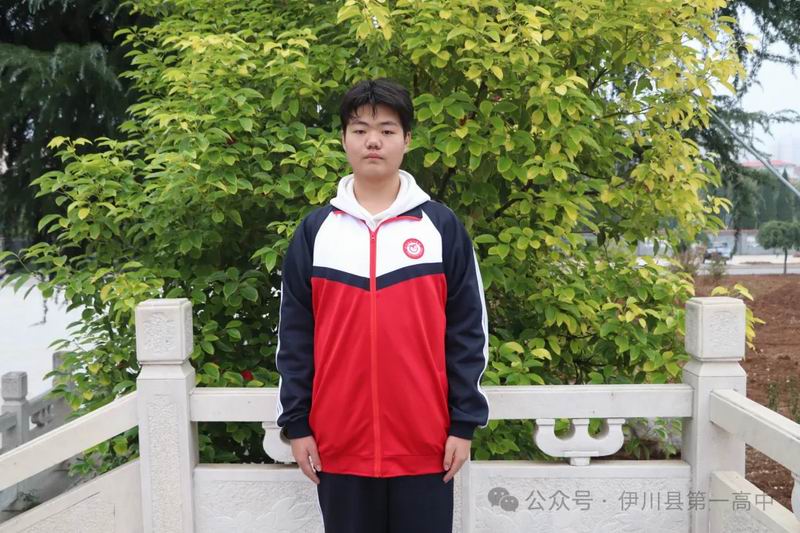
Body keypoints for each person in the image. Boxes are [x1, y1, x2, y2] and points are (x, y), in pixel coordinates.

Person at [275, 78, 490, 533]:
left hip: (426, 446)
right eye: (360, 129)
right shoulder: (317, 232)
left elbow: (468, 331)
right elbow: (294, 337)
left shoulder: (440, 227)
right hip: (339, 447)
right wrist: (297, 424)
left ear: (407, 140)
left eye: (387, 130)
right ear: (344, 139)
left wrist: (463, 424)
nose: (373, 141)